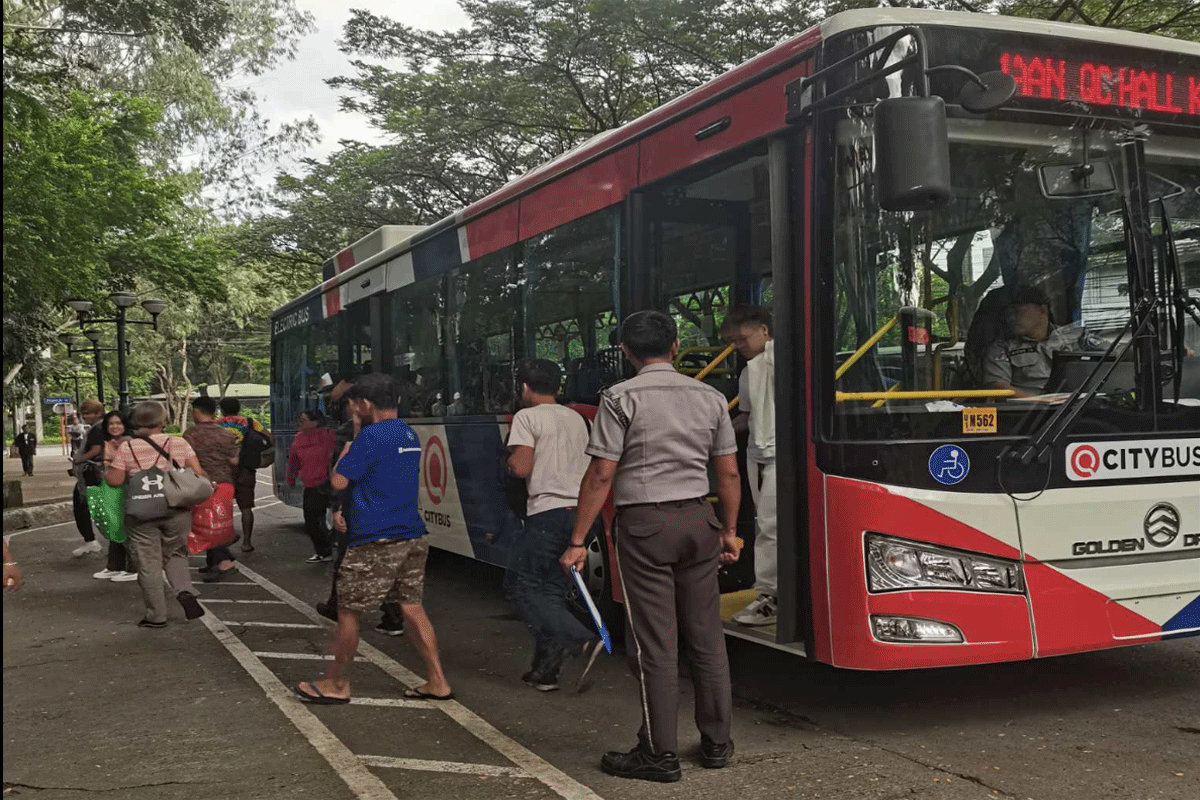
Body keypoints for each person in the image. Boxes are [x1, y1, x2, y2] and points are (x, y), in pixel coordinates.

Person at [560, 310, 742, 782]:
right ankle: (717, 743)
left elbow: (602, 473)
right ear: (676, 346)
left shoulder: (619, 398)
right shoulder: (711, 397)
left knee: (655, 643)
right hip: (699, 519)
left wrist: (578, 540)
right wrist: (729, 530)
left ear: (624, 351)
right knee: (707, 636)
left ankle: (659, 754)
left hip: (644, 526)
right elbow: (727, 473)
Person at [295, 373, 450, 704]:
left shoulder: (369, 438)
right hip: (410, 533)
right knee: (412, 606)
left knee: (348, 611)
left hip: (374, 537)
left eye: (353, 404)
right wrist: (357, 433)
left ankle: (336, 684)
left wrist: (346, 450)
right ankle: (437, 680)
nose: (352, 409)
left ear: (364, 404)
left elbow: (338, 481)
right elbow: (373, 464)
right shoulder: (406, 432)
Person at [506, 359, 602, 692]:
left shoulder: (526, 417)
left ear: (524, 388)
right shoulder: (576, 417)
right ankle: (545, 671)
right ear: (559, 388)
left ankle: (578, 637)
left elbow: (520, 467)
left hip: (547, 511)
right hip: (580, 513)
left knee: (523, 584)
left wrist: (507, 462)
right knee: (552, 590)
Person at [105, 401, 207, 628]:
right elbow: (198, 473)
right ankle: (184, 591)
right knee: (176, 554)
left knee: (148, 563)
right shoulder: (178, 442)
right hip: (177, 509)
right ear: (162, 421)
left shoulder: (128, 447)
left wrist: (106, 466)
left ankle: (156, 616)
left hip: (142, 513)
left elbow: (115, 481)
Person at [315, 397, 405, 636]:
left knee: (346, 561)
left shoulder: (349, 435)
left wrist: (337, 507)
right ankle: (393, 614)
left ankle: (339, 608)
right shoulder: (396, 432)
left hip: (358, 507)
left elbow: (342, 475)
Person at [721, 308, 779, 627]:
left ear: (765, 331)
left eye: (741, 339)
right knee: (766, 524)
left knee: (770, 525)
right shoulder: (749, 371)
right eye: (731, 341)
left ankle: (771, 595)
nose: (736, 346)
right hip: (759, 454)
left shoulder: (775, 359)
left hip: (778, 453)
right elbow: (747, 415)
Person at [978, 284, 1075, 398]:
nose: (1011, 318)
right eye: (1009, 314)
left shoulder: (1072, 338)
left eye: (1017, 312)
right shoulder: (1002, 347)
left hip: (1075, 408)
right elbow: (998, 387)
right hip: (1027, 412)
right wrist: (1039, 402)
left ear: (1042, 310)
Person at [184, 397, 241, 582]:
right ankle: (213, 562)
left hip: (203, 485)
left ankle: (224, 563)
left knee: (206, 525)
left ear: (196, 412)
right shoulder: (227, 434)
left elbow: (187, 463)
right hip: (226, 483)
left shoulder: (190, 435)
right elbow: (235, 461)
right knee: (219, 523)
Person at [218, 397, 273, 552]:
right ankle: (247, 542)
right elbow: (269, 437)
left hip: (223, 470)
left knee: (223, 507)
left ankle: (224, 541)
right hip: (246, 469)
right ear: (239, 408)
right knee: (246, 508)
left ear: (221, 409)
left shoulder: (216, 425)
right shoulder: (249, 422)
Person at [90, 410, 138, 581]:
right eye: (111, 423)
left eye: (119, 423)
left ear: (126, 425)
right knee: (115, 525)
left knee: (125, 528)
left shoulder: (128, 443)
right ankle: (115, 566)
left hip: (125, 487)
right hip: (114, 487)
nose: (115, 427)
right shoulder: (112, 442)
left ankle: (134, 568)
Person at [286, 409, 335, 563]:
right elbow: (293, 461)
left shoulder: (329, 435)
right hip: (312, 483)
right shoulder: (298, 439)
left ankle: (332, 549)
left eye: (304, 420)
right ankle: (324, 550)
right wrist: (291, 478)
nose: (301, 423)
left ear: (316, 422)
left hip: (330, 482)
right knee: (312, 520)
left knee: (338, 517)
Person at [69, 400, 106, 557]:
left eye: (89, 413)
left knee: (81, 505)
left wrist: (79, 459)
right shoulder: (100, 427)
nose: (85, 416)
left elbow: (96, 449)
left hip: (94, 473)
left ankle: (91, 541)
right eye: (83, 413)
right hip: (97, 472)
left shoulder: (97, 429)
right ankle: (90, 540)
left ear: (98, 412)